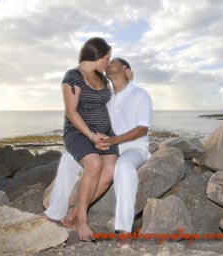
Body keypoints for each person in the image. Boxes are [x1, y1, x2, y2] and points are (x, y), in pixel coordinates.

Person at [44, 57, 152, 247]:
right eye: (106, 63)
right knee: (68, 158)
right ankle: (55, 211)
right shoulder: (107, 97)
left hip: (133, 147)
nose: (107, 65)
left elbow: (142, 128)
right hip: (108, 146)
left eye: (113, 62)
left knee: (124, 167)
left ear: (126, 69)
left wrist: (113, 141)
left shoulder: (140, 95)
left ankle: (123, 229)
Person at [60, 37, 119, 241]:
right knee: (94, 164)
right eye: (107, 58)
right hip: (79, 133)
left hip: (105, 134)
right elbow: (71, 111)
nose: (109, 63)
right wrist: (92, 136)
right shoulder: (73, 76)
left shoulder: (102, 78)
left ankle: (75, 211)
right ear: (98, 56)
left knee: (109, 172)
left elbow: (114, 102)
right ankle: (82, 219)